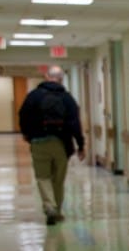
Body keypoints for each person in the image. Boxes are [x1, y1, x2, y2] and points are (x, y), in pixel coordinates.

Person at [18, 65, 86, 224]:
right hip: (61, 143)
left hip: (38, 142)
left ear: (46, 77)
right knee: (58, 179)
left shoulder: (33, 96)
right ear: (61, 79)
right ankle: (57, 210)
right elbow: (75, 123)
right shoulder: (67, 98)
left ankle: (49, 207)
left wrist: (27, 134)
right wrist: (81, 145)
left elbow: (22, 115)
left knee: (43, 177)